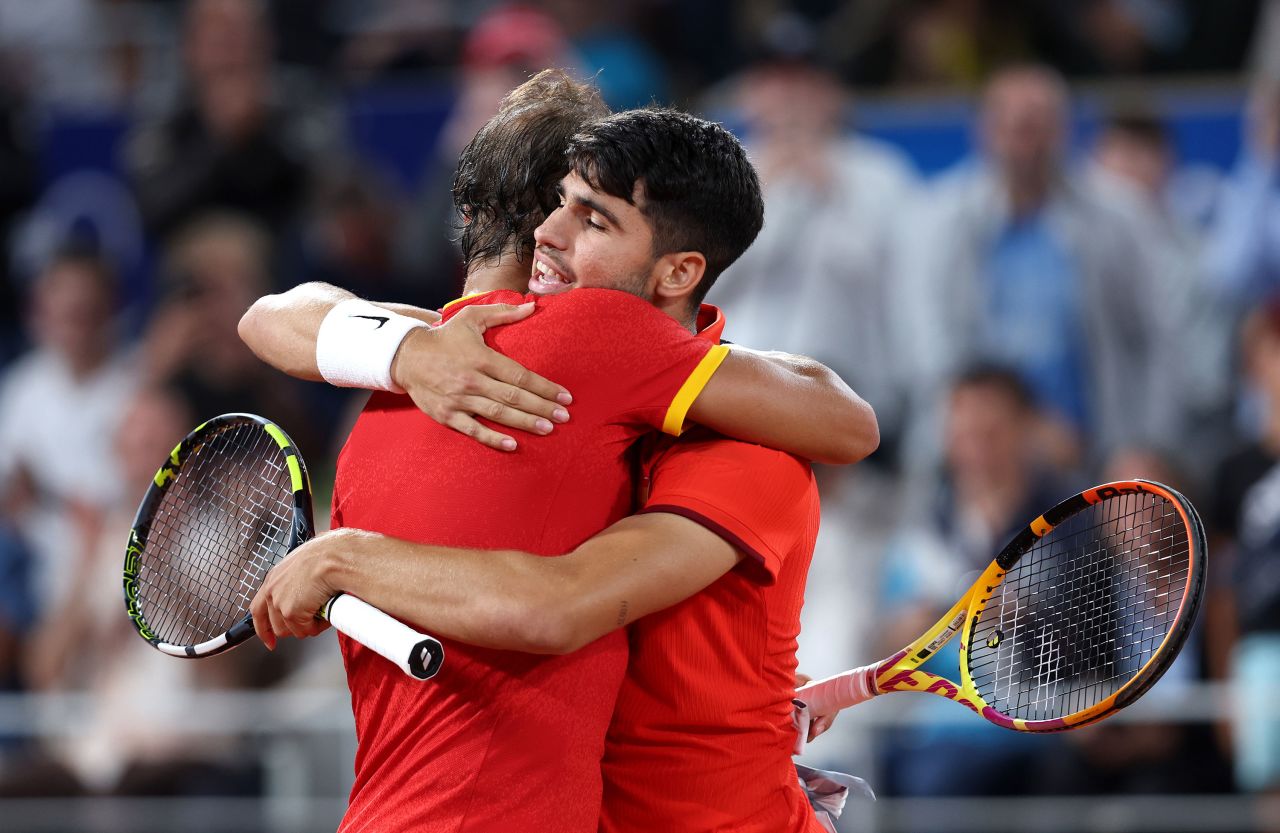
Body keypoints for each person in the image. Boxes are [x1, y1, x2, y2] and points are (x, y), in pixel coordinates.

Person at [240, 72, 875, 832]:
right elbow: (845, 420)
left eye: (593, 219)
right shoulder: (543, 353)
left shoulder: (382, 397)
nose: (553, 234)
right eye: (560, 205)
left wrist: (346, 550)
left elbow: (271, 316)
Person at [899, 64, 1171, 475]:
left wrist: (1145, 445)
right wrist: (1015, 429)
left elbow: (1156, 338)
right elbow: (929, 349)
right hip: (972, 453)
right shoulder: (936, 219)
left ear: (1065, 130)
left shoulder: (1120, 216)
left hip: (1097, 452)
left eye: (1035, 125)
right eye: (1010, 124)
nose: (1023, 142)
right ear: (984, 131)